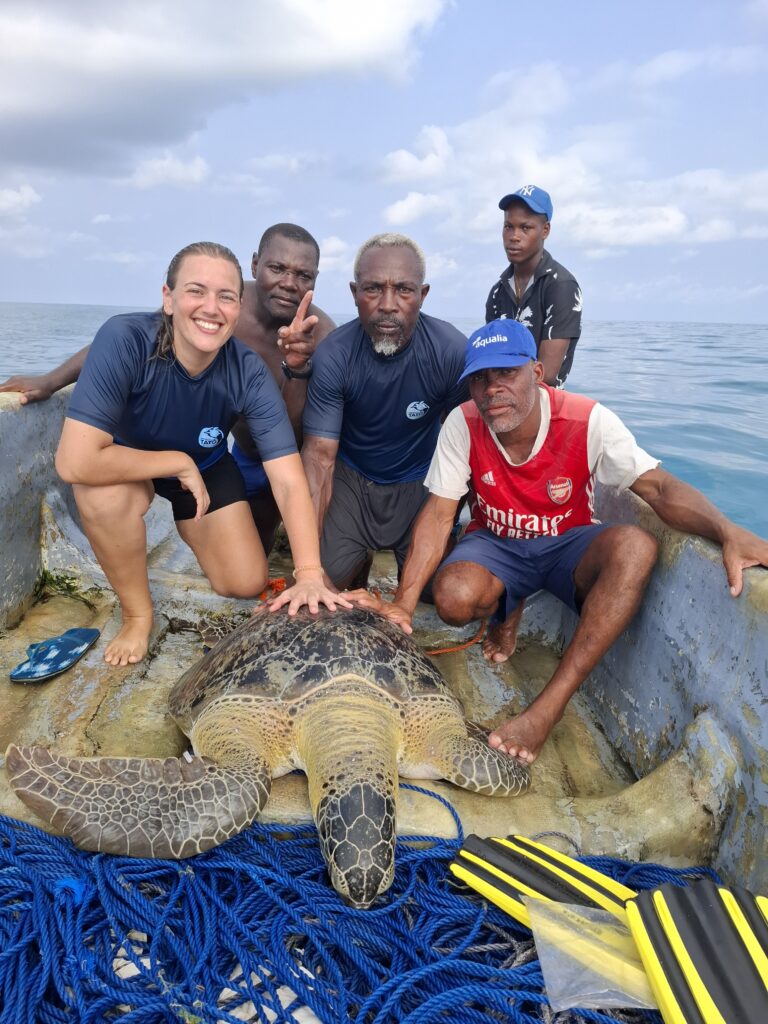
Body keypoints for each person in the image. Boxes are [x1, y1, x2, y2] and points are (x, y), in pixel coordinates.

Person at [350, 318, 768, 764]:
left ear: (536, 372)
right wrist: (404, 605)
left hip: (566, 545)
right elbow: (438, 515)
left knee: (637, 547)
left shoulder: (588, 419)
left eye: (506, 374)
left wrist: (727, 530)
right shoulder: (462, 423)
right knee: (452, 598)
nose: (492, 390)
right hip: (497, 542)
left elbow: (659, 489)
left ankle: (547, 709)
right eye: (480, 379)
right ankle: (509, 605)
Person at [55, 241, 348, 668]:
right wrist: (175, 462)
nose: (211, 308)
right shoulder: (125, 338)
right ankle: (138, 614)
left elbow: (287, 478)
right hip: (127, 462)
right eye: (196, 291)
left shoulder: (247, 371)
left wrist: (308, 575)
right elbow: (73, 462)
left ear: (238, 305)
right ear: (168, 298)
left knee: (245, 581)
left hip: (208, 466)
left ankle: (192, 526)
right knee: (102, 498)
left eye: (226, 296)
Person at [0, 223, 335, 553]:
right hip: (245, 452)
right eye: (277, 268)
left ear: (315, 280)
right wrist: (53, 380)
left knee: (265, 562)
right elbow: (137, 341)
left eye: (303, 276)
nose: (289, 284)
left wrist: (298, 368)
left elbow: (299, 434)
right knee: (251, 557)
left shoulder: (322, 335)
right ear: (254, 264)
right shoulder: (221, 309)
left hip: (290, 453)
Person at [300, 233, 468, 590]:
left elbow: (470, 449)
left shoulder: (451, 352)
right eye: (373, 289)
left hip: (420, 484)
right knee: (324, 588)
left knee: (440, 596)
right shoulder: (334, 355)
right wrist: (308, 571)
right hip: (353, 484)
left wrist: (446, 520)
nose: (388, 304)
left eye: (404, 290)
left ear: (422, 296)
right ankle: (353, 551)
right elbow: (319, 461)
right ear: (354, 293)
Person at [486, 185, 582, 388]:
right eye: (508, 226)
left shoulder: (561, 286)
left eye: (525, 227)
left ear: (545, 230)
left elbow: (545, 374)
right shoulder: (497, 292)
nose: (514, 236)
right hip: (502, 400)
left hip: (546, 406)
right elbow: (490, 357)